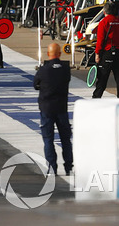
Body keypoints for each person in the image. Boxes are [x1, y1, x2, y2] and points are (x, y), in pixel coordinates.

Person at [34, 42, 73, 176]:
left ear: (48, 54)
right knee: (66, 139)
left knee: (48, 139)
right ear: (60, 54)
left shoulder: (44, 69)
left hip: (47, 108)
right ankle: (68, 166)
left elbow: (35, 84)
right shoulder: (65, 69)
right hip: (61, 107)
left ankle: (52, 168)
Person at [92, 1, 119, 99]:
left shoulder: (103, 22)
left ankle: (96, 98)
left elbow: (100, 40)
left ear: (104, 12)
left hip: (107, 53)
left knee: (102, 79)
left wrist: (97, 54)